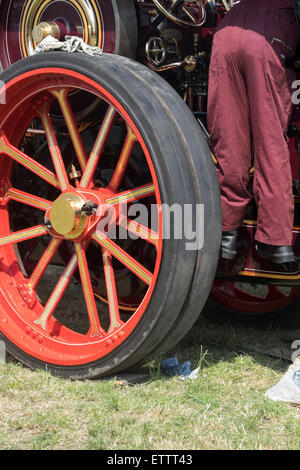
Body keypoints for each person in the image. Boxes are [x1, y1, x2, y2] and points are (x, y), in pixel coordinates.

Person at [207, 0, 299, 264]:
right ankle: (274, 239)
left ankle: (226, 233)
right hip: (272, 29)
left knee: (228, 140)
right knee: (270, 140)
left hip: (228, 29)